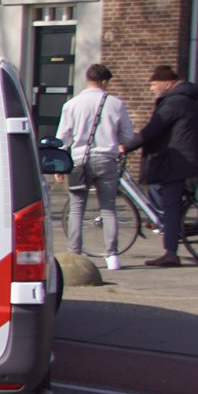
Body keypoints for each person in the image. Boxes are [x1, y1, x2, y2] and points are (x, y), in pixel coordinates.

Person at [122, 65, 198, 267]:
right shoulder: (183, 99)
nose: (152, 89)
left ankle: (171, 253)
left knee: (171, 206)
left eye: (154, 84)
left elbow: (153, 130)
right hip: (181, 160)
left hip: (176, 162)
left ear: (167, 83)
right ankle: (173, 227)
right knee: (159, 192)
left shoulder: (174, 102)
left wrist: (126, 146)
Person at [54, 63, 133, 270]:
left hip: (79, 160)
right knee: (108, 208)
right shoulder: (116, 104)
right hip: (107, 159)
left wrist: (59, 165)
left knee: (77, 208)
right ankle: (112, 256)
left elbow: (62, 137)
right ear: (104, 81)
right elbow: (127, 135)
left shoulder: (72, 104)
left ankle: (74, 253)